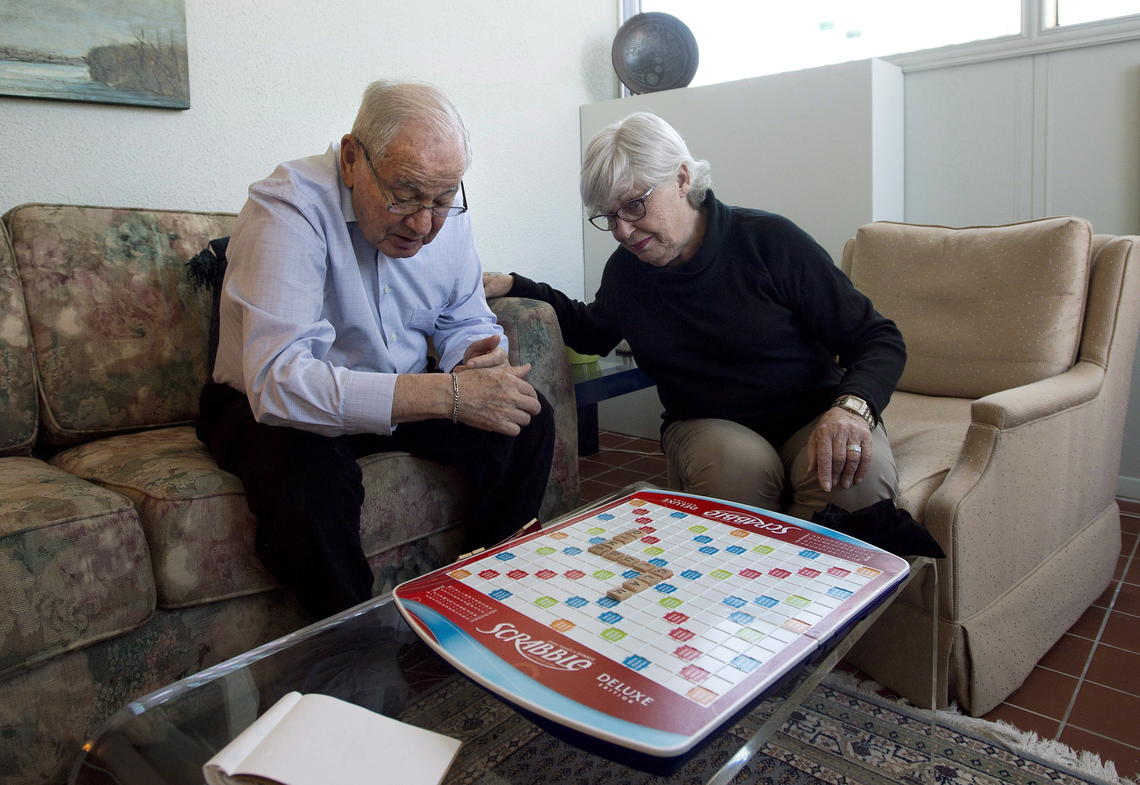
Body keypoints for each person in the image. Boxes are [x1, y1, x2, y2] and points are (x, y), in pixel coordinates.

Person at [197, 81, 555, 617]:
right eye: (404, 194)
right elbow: (280, 381)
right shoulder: (286, 206)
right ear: (350, 159)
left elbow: (463, 314)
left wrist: (473, 357)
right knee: (308, 483)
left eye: (440, 200)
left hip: (402, 391)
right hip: (272, 405)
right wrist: (451, 396)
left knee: (526, 417)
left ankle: (484, 598)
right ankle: (349, 648)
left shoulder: (443, 212)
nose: (422, 224)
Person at [484, 112, 905, 522]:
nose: (622, 232)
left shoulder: (770, 242)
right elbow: (593, 331)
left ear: (682, 179)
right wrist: (516, 284)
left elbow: (876, 337)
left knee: (856, 482)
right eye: (609, 216)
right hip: (708, 423)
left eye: (633, 206)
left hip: (811, 412)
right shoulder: (628, 271)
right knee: (735, 469)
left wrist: (852, 409)